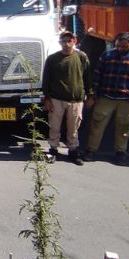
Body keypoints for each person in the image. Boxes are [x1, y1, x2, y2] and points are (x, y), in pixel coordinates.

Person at [84, 32, 129, 164]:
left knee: (124, 127)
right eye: (118, 46)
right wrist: (93, 95)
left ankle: (121, 152)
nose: (120, 49)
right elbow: (97, 76)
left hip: (127, 100)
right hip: (106, 97)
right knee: (97, 124)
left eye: (124, 46)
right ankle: (91, 151)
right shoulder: (107, 55)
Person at [41, 31, 91, 165]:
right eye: (64, 41)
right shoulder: (52, 59)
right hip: (56, 99)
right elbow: (46, 80)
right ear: (60, 42)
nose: (67, 43)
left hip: (76, 99)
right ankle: (53, 150)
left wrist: (90, 95)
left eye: (70, 40)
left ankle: (73, 152)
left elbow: (87, 77)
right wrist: (47, 98)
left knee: (73, 127)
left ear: (75, 41)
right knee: (54, 126)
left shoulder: (81, 57)